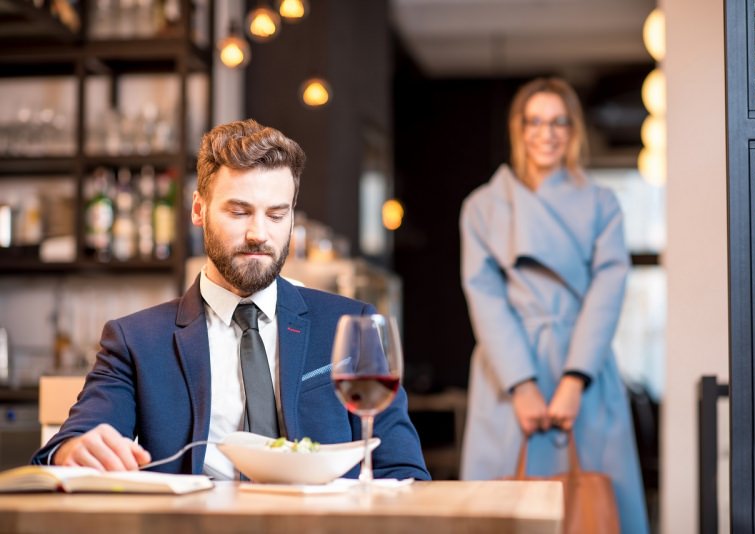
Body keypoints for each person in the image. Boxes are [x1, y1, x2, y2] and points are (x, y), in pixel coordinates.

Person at [32, 119, 430, 482]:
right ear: (198, 210)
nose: (259, 233)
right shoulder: (135, 340)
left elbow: (405, 472)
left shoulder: (349, 324)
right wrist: (73, 449)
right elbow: (69, 445)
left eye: (277, 215)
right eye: (239, 211)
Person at [458, 78, 648, 533]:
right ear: (518, 129)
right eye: (536, 121)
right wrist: (522, 385)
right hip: (508, 369)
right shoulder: (483, 206)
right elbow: (483, 294)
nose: (547, 133)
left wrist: (574, 379)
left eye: (559, 121)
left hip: (584, 365)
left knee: (595, 506)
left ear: (574, 129)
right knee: (502, 506)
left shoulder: (603, 203)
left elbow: (608, 289)